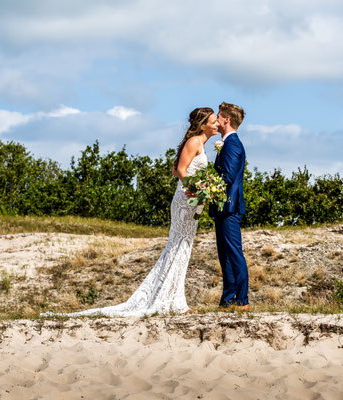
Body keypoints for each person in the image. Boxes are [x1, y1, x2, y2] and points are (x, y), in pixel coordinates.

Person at [41, 107, 218, 317]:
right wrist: (195, 190)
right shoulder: (194, 142)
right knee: (177, 247)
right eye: (214, 121)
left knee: (183, 249)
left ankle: (175, 299)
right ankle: (172, 301)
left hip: (192, 203)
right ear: (203, 124)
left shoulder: (201, 144)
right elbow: (179, 171)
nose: (217, 124)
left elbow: (178, 169)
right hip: (184, 202)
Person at [209, 102, 249, 311]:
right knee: (225, 254)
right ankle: (228, 299)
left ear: (227, 120)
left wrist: (205, 186)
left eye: (218, 117)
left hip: (229, 206)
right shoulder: (227, 142)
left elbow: (228, 177)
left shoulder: (232, 143)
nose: (216, 120)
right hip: (223, 206)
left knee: (234, 252)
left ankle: (242, 299)